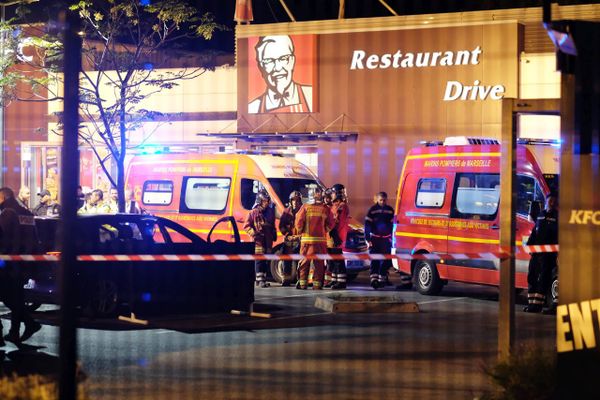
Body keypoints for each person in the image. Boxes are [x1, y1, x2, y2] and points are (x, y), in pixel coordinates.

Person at [0, 187, 42, 344]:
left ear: (4, 197)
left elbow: (2, 238)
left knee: (7, 297)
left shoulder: (8, 213)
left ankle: (29, 323)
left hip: (9, 264)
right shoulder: (27, 213)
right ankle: (14, 332)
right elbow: (35, 238)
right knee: (17, 296)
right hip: (25, 262)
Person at [248, 35, 313, 114]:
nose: (278, 68)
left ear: (292, 61)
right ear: (261, 66)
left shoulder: (311, 96)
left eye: (283, 58)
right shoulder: (253, 108)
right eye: (269, 61)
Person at [524, 194, 559, 313]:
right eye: (550, 200)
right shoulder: (540, 215)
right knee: (532, 276)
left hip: (548, 255)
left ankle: (538, 305)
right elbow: (535, 231)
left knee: (543, 279)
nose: (552, 203)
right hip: (536, 253)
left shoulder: (557, 217)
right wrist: (529, 244)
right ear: (546, 201)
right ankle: (532, 304)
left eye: (554, 201)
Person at [295, 187, 333, 290]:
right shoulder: (325, 208)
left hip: (307, 241)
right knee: (319, 264)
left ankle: (303, 284)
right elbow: (331, 223)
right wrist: (324, 230)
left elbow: (298, 223)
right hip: (320, 242)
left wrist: (300, 232)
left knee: (304, 263)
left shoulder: (305, 207)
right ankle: (317, 285)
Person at [244, 190, 277, 288]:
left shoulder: (270, 212)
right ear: (259, 201)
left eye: (267, 201)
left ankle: (263, 279)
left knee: (265, 260)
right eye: (264, 201)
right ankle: (259, 279)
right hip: (258, 241)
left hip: (267, 240)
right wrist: (253, 233)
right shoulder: (253, 212)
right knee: (259, 260)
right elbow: (246, 226)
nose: (266, 203)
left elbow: (272, 225)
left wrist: (274, 233)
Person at [364, 192, 395, 289]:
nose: (382, 202)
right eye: (381, 200)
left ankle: (382, 279)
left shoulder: (390, 210)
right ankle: (374, 280)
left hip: (386, 239)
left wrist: (392, 238)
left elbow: (393, 224)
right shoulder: (372, 210)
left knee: (386, 260)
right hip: (375, 238)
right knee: (375, 260)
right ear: (377, 199)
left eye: (384, 200)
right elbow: (367, 225)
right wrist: (368, 239)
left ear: (387, 200)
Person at [328, 183, 350, 290]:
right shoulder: (334, 206)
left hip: (338, 237)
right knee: (332, 260)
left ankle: (341, 282)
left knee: (338, 260)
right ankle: (335, 280)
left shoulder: (342, 206)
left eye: (332, 193)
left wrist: (334, 232)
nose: (331, 195)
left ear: (337, 194)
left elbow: (337, 221)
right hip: (332, 236)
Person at [278, 190, 302, 286]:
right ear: (290, 201)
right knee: (286, 260)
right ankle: (286, 280)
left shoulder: (303, 211)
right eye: (293, 200)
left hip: (299, 240)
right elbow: (281, 226)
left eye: (297, 200)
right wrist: (287, 234)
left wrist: (299, 236)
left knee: (300, 261)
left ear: (300, 201)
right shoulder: (286, 212)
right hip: (288, 240)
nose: (295, 202)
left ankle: (300, 280)